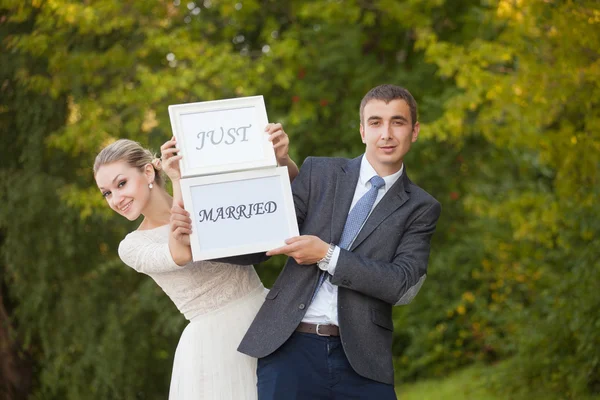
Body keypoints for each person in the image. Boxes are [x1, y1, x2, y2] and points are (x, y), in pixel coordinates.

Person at [238, 84, 442, 399]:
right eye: (375, 122)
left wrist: (327, 255)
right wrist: (200, 230)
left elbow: (399, 283)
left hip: (363, 360)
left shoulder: (421, 207)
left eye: (397, 122)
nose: (385, 133)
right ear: (362, 131)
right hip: (289, 348)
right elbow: (263, 239)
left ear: (414, 131)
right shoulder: (319, 172)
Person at [93, 123, 297, 400]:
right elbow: (181, 251)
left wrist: (281, 158)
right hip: (217, 344)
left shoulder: (206, 200)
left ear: (148, 171)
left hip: (266, 313)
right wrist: (178, 181)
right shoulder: (132, 246)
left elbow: (284, 200)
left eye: (121, 184)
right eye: (107, 193)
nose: (116, 199)